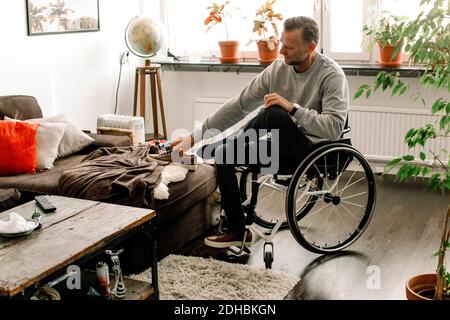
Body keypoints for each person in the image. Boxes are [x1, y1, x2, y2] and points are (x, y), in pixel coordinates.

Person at [172, 16, 349, 249]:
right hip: (280, 148)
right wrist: (193, 136)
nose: (281, 50)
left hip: (314, 153)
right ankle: (237, 230)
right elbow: (239, 104)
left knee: (275, 111)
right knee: (225, 155)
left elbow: (333, 128)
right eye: (282, 42)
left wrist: (292, 108)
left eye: (289, 46)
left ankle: (209, 149)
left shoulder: (331, 75)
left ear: (311, 47)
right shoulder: (278, 69)